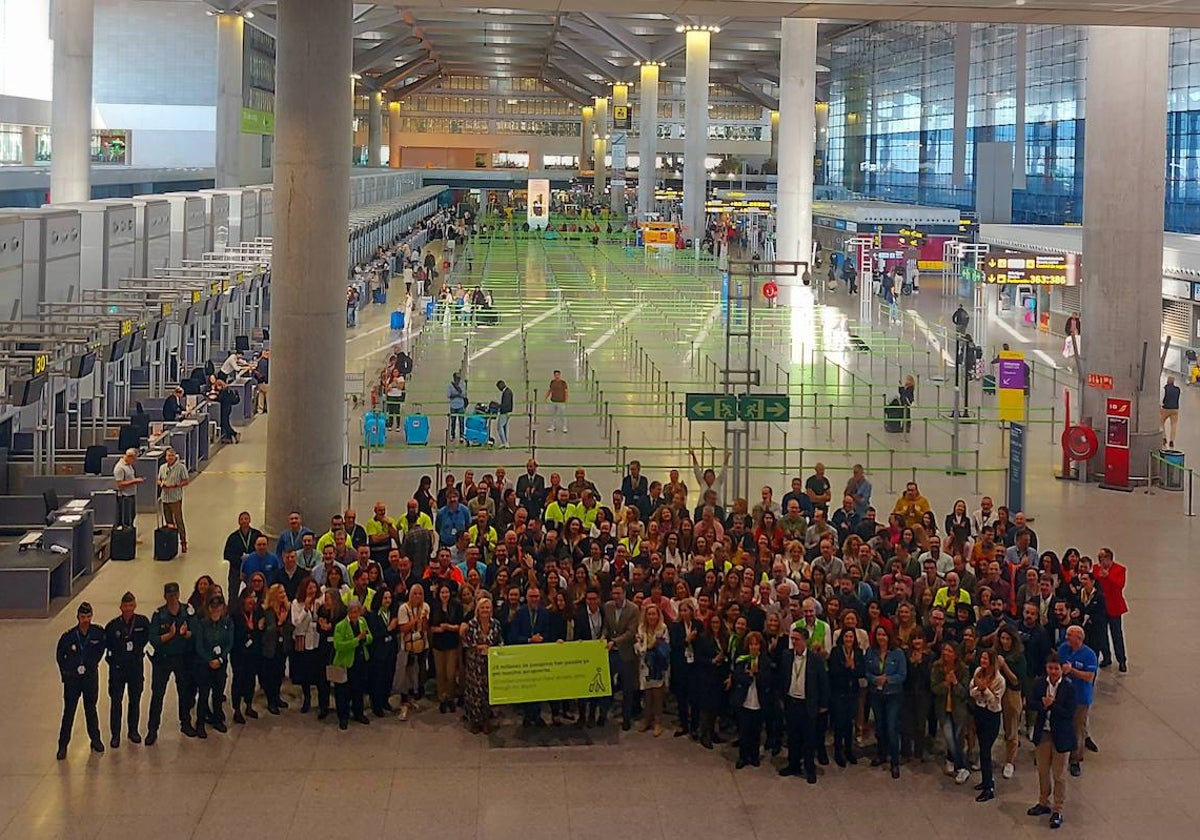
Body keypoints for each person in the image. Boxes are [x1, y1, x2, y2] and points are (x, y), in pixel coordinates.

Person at [1028, 654, 1077, 830]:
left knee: (1059, 774)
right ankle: (1043, 801)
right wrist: (1042, 705)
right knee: (1042, 770)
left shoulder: (1069, 687)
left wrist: (1052, 704)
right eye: (1050, 668)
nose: (1053, 671)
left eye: (1056, 668)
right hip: (1044, 733)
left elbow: (1069, 713)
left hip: (1061, 736)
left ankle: (1058, 809)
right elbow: (1031, 703)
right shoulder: (1040, 683)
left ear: (1061, 669)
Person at [778, 625, 830, 782]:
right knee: (792, 737)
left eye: (797, 639)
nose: (794, 642)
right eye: (792, 639)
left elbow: (823, 683)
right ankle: (793, 764)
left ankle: (809, 768)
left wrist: (823, 704)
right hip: (791, 702)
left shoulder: (815, 660)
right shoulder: (787, 656)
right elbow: (782, 677)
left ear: (805, 641)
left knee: (808, 738)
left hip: (808, 704)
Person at [146, 582, 195, 744]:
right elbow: (153, 640)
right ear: (165, 596)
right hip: (163, 659)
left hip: (182, 658)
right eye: (170, 595)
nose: (173, 598)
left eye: (175, 594)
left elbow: (194, 633)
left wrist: (185, 633)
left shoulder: (187, 611)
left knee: (184, 692)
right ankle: (152, 729)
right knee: (158, 694)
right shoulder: (159, 614)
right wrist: (171, 635)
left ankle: (185, 723)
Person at [56, 601, 106, 758]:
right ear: (77, 617)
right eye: (82, 616)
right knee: (69, 712)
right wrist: (65, 673)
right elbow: (60, 656)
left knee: (91, 709)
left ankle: (95, 740)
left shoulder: (98, 633)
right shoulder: (68, 636)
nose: (85, 619)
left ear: (92, 617)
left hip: (89, 677)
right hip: (73, 680)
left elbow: (101, 649)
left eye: (88, 616)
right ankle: (63, 746)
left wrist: (92, 664)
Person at [104, 591, 151, 748]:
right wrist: (113, 663)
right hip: (118, 670)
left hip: (135, 668)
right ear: (121, 607)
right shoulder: (112, 626)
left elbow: (147, 640)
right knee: (116, 702)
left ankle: (133, 731)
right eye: (126, 606)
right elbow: (108, 648)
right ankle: (115, 735)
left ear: (135, 606)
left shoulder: (142, 623)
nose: (128, 608)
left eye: (131, 605)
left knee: (135, 700)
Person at [865, 624, 907, 778]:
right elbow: (866, 671)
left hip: (893, 695)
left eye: (883, 635)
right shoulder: (871, 652)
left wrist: (887, 679)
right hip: (876, 694)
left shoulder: (898, 653)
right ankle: (881, 754)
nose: (881, 637)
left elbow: (902, 675)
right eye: (878, 635)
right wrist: (875, 679)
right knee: (880, 726)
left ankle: (895, 762)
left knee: (891, 727)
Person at [1057, 625, 1098, 777]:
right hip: (1063, 695)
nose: (1066, 638)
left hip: (1080, 697)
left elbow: (1089, 677)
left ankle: (1075, 759)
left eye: (1069, 635)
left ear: (1079, 638)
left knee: (1077, 729)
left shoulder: (1089, 655)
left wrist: (1072, 670)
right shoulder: (1063, 649)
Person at [192, 592, 233, 738]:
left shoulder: (227, 623)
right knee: (203, 695)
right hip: (205, 665)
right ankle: (200, 723)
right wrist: (209, 659)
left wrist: (220, 659)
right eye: (213, 607)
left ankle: (217, 719)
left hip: (220, 664)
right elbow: (199, 646)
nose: (216, 610)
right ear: (208, 608)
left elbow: (229, 643)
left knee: (217, 693)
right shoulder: (202, 624)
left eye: (218, 607)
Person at [968, 649, 1006, 802]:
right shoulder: (978, 672)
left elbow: (995, 702)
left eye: (986, 658)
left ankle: (989, 787)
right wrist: (979, 689)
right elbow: (972, 692)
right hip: (979, 712)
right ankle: (985, 780)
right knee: (982, 749)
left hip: (992, 715)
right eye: (981, 658)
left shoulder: (999, 680)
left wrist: (985, 690)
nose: (982, 661)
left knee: (985, 751)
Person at [463, 595, 504, 733]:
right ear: (478, 609)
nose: (485, 610)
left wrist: (495, 649)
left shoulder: (496, 624)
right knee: (475, 693)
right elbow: (467, 642)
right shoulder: (471, 624)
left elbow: (500, 641)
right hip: (475, 664)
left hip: (490, 663)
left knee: (487, 692)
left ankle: (486, 721)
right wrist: (478, 647)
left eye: (487, 607)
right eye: (482, 608)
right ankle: (475, 722)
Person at [603, 582, 640, 731]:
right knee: (607, 686)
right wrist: (603, 637)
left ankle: (626, 718)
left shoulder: (633, 609)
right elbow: (606, 626)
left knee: (627, 688)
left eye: (619, 593)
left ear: (624, 593)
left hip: (626, 653)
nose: (616, 596)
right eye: (614, 594)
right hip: (610, 653)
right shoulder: (608, 607)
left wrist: (614, 641)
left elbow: (631, 633)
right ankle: (604, 714)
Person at [331, 599, 373, 730]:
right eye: (352, 612)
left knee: (358, 689)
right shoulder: (340, 626)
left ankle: (358, 713)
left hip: (360, 660)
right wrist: (356, 640)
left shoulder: (362, 622)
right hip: (345, 663)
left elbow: (370, 637)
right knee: (343, 692)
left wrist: (365, 638)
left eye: (357, 612)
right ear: (348, 613)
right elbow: (338, 645)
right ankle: (343, 717)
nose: (355, 615)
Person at [635, 602, 671, 737]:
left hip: (658, 667)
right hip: (644, 665)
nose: (651, 616)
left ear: (658, 615)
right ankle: (646, 719)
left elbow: (666, 648)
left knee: (657, 695)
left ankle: (658, 722)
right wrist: (648, 647)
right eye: (649, 614)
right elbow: (638, 648)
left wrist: (653, 647)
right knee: (647, 694)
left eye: (654, 614)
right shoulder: (641, 628)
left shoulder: (663, 628)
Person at [429, 583, 465, 714]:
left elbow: (460, 625)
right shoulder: (434, 607)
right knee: (440, 673)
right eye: (442, 593)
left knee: (450, 674)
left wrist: (448, 627)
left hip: (452, 644)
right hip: (438, 644)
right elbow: (431, 627)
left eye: (447, 592)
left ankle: (450, 697)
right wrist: (438, 629)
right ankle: (442, 698)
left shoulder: (457, 606)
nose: (444, 595)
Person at [1094, 547, 1128, 672]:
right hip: (1101, 607)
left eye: (1102, 558)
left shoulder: (1120, 569)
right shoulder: (1096, 569)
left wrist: (1108, 577)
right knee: (1102, 634)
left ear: (1109, 559)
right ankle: (1106, 657)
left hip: (1114, 606)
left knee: (1116, 634)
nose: (1101, 561)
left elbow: (1120, 585)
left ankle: (1122, 660)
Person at [156, 447, 190, 553]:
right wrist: (161, 484)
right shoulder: (162, 468)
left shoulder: (181, 468)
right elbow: (158, 479)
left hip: (175, 498)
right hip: (165, 498)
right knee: (168, 521)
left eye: (171, 456)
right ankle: (171, 542)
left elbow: (186, 481)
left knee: (178, 520)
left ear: (175, 456)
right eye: (168, 456)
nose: (169, 458)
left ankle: (183, 542)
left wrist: (175, 485)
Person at [113, 448, 143, 529]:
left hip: (131, 494)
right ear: (129, 457)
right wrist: (134, 481)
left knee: (132, 516)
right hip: (124, 496)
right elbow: (120, 484)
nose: (135, 461)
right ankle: (127, 537)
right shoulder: (119, 468)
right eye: (134, 459)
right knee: (126, 519)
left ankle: (131, 535)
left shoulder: (129, 465)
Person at [446, 372, 468, 442]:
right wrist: (457, 395)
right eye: (456, 378)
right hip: (453, 406)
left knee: (461, 421)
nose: (458, 380)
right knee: (453, 421)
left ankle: (461, 435)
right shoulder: (450, 385)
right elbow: (449, 395)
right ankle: (452, 434)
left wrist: (456, 395)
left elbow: (463, 394)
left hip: (461, 406)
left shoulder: (462, 384)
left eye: (459, 378)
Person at [546, 369, 569, 433]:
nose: (557, 376)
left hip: (561, 401)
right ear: (554, 375)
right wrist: (546, 397)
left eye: (558, 375)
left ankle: (564, 427)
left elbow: (566, 391)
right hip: (553, 401)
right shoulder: (552, 382)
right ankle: (552, 426)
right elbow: (550, 390)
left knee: (562, 415)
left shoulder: (563, 383)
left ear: (560, 375)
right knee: (553, 414)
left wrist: (566, 400)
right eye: (555, 375)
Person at [1162, 374, 1180, 447]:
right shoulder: (1177, 389)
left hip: (1166, 408)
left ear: (1167, 381)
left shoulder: (1165, 388)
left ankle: (1164, 438)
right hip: (1175, 409)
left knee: (1161, 422)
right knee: (1174, 425)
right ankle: (1172, 441)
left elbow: (1162, 399)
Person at [495, 379, 514, 447]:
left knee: (499, 427)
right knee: (504, 427)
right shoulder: (508, 391)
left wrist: (499, 406)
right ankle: (505, 441)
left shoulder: (506, 393)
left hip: (505, 412)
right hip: (508, 412)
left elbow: (506, 404)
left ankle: (504, 442)